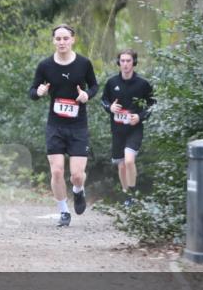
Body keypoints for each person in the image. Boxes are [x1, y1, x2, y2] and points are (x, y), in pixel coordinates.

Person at [29, 24, 99, 227]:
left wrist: (87, 95)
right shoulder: (45, 65)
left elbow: (94, 86)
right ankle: (63, 212)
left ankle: (78, 190)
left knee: (77, 175)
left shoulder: (84, 64)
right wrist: (39, 92)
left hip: (78, 126)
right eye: (58, 39)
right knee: (57, 171)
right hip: (55, 126)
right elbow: (32, 91)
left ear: (72, 40)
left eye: (65, 38)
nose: (62, 42)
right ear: (53, 41)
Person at [102, 48, 156, 206]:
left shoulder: (143, 84)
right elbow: (104, 100)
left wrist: (140, 116)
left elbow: (153, 104)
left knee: (129, 161)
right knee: (121, 165)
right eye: (122, 61)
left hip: (134, 129)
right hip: (117, 130)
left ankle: (132, 196)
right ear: (119, 63)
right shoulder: (112, 82)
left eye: (128, 61)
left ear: (134, 63)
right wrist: (109, 108)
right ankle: (127, 197)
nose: (125, 64)